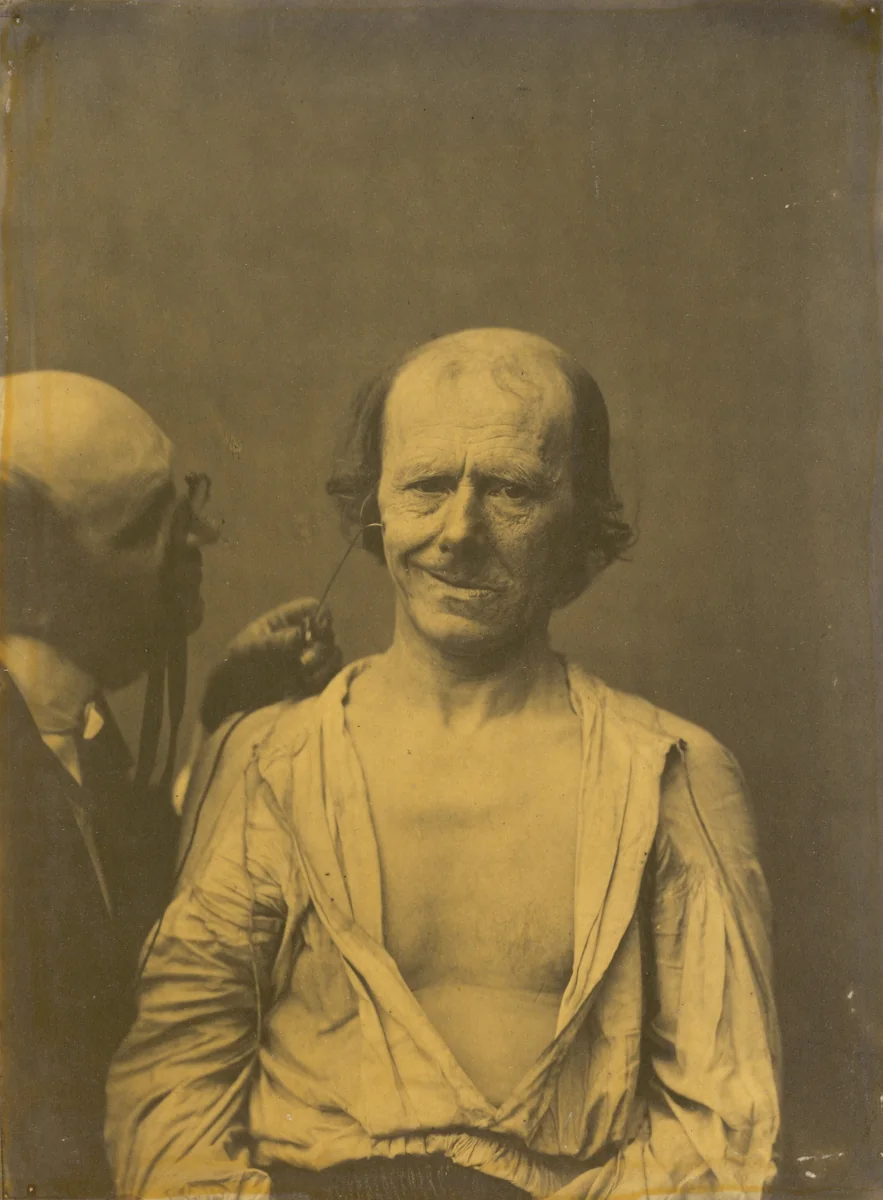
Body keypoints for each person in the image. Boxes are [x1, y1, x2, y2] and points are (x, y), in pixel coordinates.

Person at [106, 330, 781, 1200]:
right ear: (373, 509)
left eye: (510, 491)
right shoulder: (269, 759)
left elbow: (720, 1129)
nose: (458, 533)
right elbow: (168, 1092)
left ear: (580, 523)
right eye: (426, 486)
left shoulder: (671, 775)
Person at [0, 371, 339, 1200]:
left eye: (186, 505)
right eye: (154, 523)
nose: (202, 536)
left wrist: (222, 716)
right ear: (28, 564)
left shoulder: (81, 734)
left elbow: (117, 907)